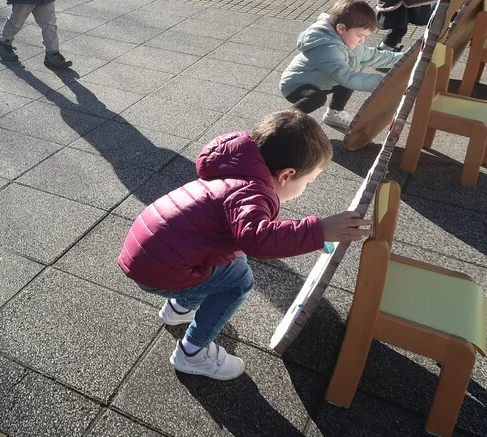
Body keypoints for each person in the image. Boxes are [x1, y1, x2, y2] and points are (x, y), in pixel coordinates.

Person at [117, 109, 372, 380]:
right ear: (286, 175)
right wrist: (316, 231)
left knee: (234, 261)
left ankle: (180, 308)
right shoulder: (253, 193)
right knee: (239, 281)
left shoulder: (238, 169)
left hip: (149, 252)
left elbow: (253, 231)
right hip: (161, 270)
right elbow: (259, 241)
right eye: (308, 182)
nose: (306, 187)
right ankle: (192, 353)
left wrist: (308, 238)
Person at [279, 0, 403, 131]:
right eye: (360, 35)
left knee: (349, 76)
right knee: (317, 97)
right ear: (341, 28)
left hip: (321, 81)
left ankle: (334, 113)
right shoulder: (327, 49)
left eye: (365, 37)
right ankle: (282, 123)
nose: (362, 41)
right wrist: (387, 83)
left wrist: (406, 57)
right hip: (295, 85)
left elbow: (374, 56)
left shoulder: (348, 40)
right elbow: (349, 78)